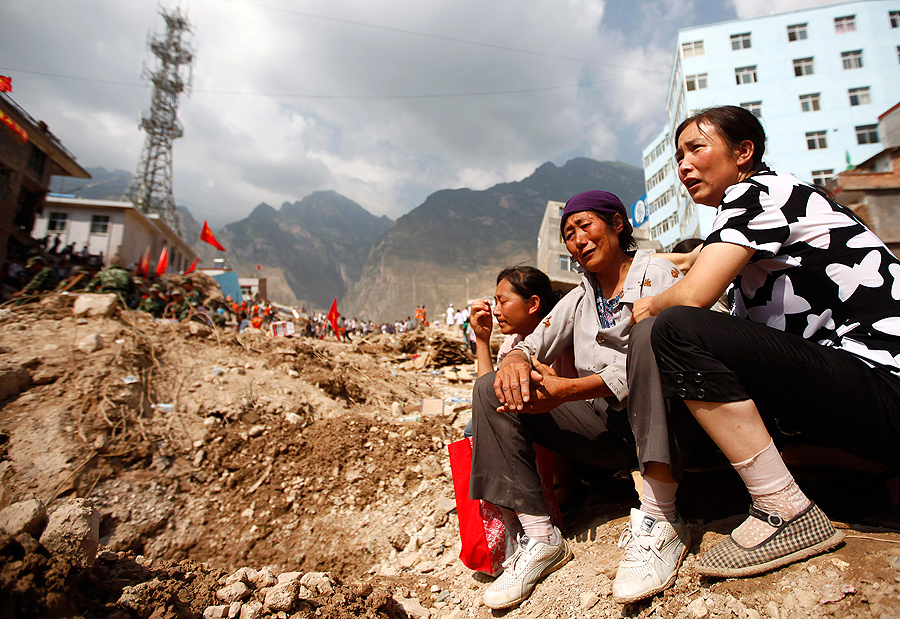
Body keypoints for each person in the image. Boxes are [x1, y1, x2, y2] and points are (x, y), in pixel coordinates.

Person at [630, 105, 900, 580]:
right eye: (678, 157)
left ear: (743, 152)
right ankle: (875, 467)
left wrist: (648, 305)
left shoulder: (756, 191)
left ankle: (785, 510)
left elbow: (693, 295)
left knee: (672, 327)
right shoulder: (759, 217)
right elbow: (700, 261)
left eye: (696, 148)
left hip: (883, 383)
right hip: (861, 394)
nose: (683, 165)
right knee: (712, 418)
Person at [470, 191, 683, 610]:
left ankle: (664, 520)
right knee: (488, 386)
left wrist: (569, 390)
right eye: (568, 233)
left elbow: (660, 360)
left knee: (648, 338)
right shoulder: (581, 296)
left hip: (670, 422)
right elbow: (532, 342)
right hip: (612, 432)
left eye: (585, 226)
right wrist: (515, 358)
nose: (578, 240)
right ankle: (540, 537)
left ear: (617, 224)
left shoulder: (655, 272)